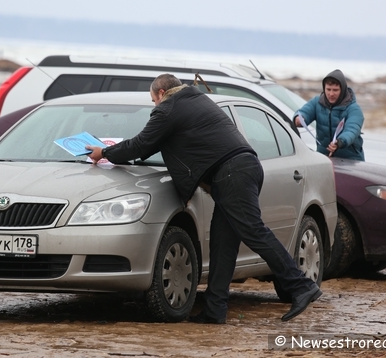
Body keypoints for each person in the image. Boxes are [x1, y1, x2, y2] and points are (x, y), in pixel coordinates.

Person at [85, 73, 322, 324]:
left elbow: (141, 145)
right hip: (242, 169)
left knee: (254, 231)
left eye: (153, 100)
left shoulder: (168, 109)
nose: (154, 105)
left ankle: (301, 285)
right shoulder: (197, 99)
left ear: (162, 94)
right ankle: (214, 309)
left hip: (232, 174)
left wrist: (104, 152)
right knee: (222, 243)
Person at [294, 69, 365, 160]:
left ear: (342, 90)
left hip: (350, 161)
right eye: (328, 89)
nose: (331, 94)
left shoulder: (353, 108)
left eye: (335, 90)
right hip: (324, 159)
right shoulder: (317, 102)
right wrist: (299, 119)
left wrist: (339, 142)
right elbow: (304, 112)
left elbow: (352, 130)